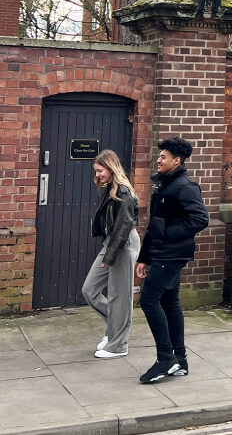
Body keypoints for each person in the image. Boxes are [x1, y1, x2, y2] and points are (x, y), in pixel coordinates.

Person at [135, 137, 209, 383]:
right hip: (162, 254)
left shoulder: (185, 186)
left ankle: (166, 359)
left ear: (176, 161)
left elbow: (200, 219)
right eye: (159, 156)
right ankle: (180, 361)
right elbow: (153, 226)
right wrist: (144, 257)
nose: (158, 159)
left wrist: (167, 235)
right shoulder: (165, 185)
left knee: (148, 300)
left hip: (173, 254)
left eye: (163, 156)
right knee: (169, 302)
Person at [81, 149, 140, 359]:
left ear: (110, 167)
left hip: (122, 244)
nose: (98, 175)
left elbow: (124, 226)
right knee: (89, 290)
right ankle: (115, 329)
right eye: (96, 171)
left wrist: (110, 256)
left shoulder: (123, 192)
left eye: (100, 170)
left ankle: (118, 345)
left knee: (120, 296)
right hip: (111, 243)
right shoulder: (110, 189)